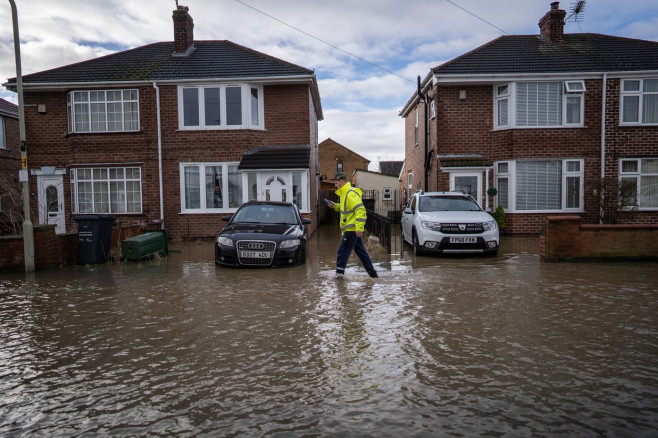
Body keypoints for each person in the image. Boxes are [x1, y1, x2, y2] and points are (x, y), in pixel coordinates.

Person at [326, 171, 378, 278]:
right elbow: (346, 209)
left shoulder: (350, 194)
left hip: (352, 229)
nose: (335, 185)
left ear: (341, 182)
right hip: (352, 229)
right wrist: (335, 206)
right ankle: (373, 274)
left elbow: (360, 210)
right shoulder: (345, 194)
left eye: (336, 183)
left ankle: (339, 276)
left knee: (342, 252)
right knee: (361, 253)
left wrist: (359, 228)